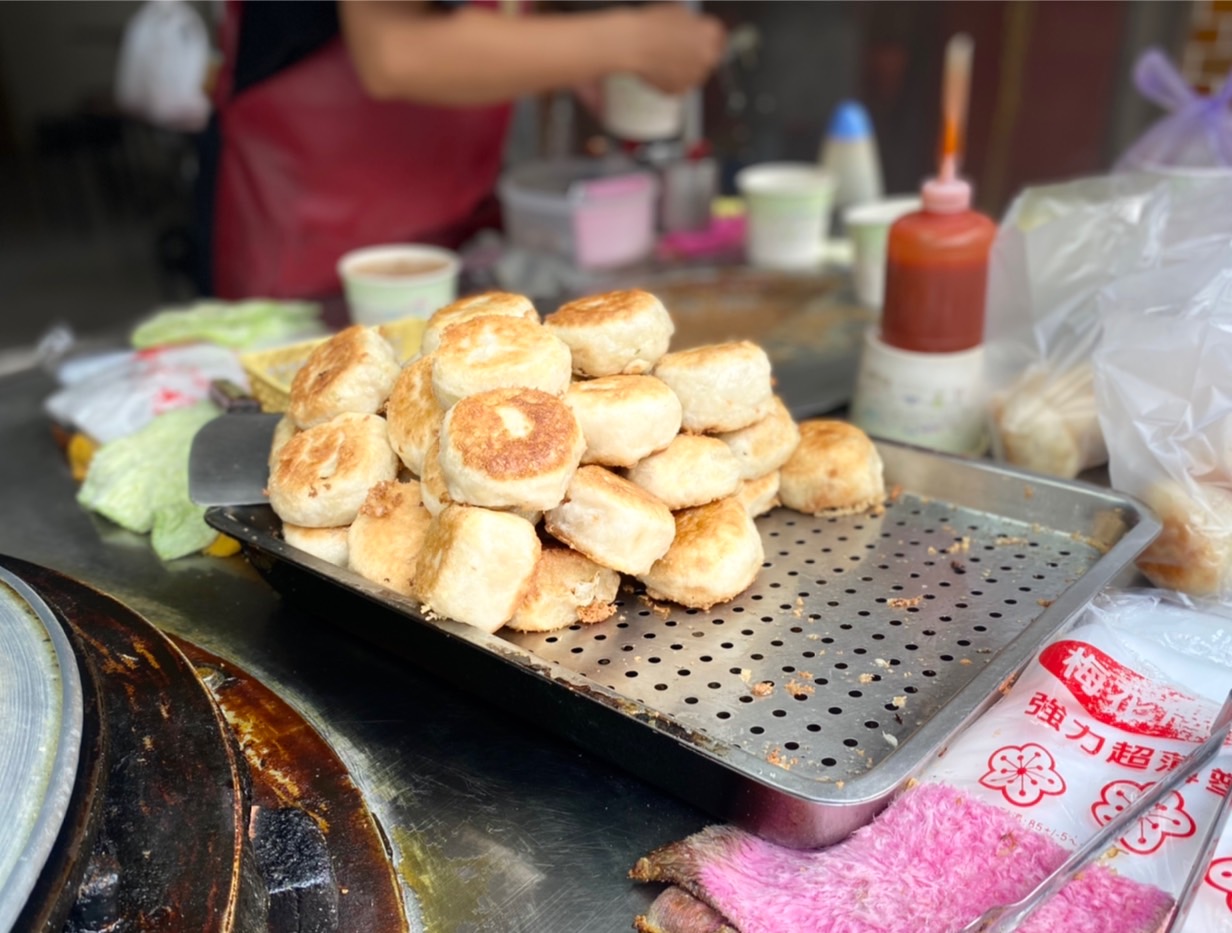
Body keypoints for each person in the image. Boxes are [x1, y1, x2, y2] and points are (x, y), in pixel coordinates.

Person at [198, 0, 725, 300]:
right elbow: (394, 53)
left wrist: (571, 59)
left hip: (447, 216)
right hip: (313, 234)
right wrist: (630, 42)